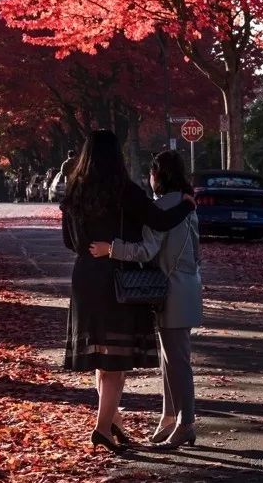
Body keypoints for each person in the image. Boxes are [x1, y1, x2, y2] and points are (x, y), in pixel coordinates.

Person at [61, 129, 195, 454]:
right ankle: (102, 428)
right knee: (115, 363)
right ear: (116, 156)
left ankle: (114, 421)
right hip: (115, 277)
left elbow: (68, 240)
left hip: (84, 276)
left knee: (100, 359)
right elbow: (160, 221)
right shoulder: (123, 190)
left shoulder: (75, 191)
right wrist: (186, 205)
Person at [89, 150, 202, 450]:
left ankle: (185, 422)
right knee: (172, 359)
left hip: (169, 289)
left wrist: (111, 249)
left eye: (152, 173)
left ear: (159, 174)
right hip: (189, 285)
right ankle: (169, 416)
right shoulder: (188, 204)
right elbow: (196, 250)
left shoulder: (161, 207)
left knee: (177, 361)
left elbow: (145, 251)